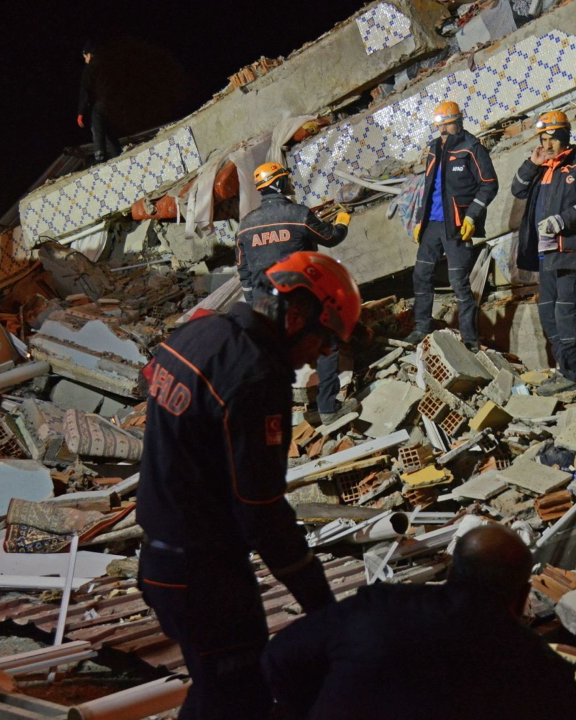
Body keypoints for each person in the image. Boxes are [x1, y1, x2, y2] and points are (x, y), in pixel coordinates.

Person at [136, 253, 361, 719]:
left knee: (217, 692)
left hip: (163, 560)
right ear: (295, 315)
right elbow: (261, 510)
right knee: (241, 700)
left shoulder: (197, 333)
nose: (319, 356)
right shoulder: (256, 379)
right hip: (204, 576)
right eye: (323, 341)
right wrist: (321, 605)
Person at [263, 524, 576, 720]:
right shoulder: (534, 664)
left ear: (452, 572)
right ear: (522, 597)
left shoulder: (376, 606)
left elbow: (277, 659)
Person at [236, 162, 354, 425]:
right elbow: (331, 237)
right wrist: (343, 222)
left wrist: (254, 303)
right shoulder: (298, 214)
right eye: (286, 179)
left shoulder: (246, 225)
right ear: (278, 184)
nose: (290, 183)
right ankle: (327, 409)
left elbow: (243, 269)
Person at [511, 111, 576, 396]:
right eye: (543, 138)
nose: (547, 144)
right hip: (546, 254)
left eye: (552, 138)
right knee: (548, 315)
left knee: (566, 315)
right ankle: (562, 371)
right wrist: (532, 163)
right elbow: (517, 189)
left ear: (565, 136)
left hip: (571, 253)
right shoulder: (543, 165)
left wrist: (561, 221)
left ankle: (572, 373)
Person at [405, 101, 498, 352]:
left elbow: (489, 184)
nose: (443, 130)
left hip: (457, 225)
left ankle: (470, 339)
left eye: (447, 124)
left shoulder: (472, 149)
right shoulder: (435, 148)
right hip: (432, 225)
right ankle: (421, 327)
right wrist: (419, 220)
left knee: (459, 282)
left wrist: (472, 217)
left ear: (459, 121)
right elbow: (429, 188)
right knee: (421, 275)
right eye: (439, 126)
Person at [78, 40, 121, 164]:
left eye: (84, 56)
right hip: (112, 102)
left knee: (97, 128)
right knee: (107, 128)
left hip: (100, 103)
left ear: (89, 55)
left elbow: (85, 90)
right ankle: (116, 152)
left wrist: (80, 112)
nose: (85, 59)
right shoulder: (107, 65)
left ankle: (100, 157)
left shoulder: (90, 68)